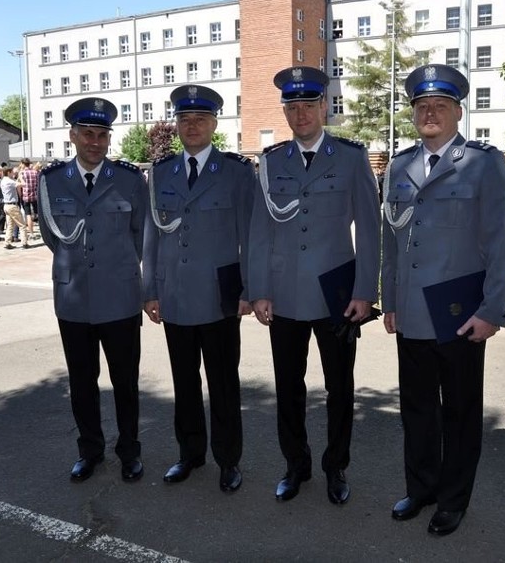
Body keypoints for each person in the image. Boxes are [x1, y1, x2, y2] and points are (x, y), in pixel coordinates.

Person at [381, 64, 505, 536]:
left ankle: (453, 500)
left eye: (440, 105)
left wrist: (491, 310)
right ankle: (421, 489)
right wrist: (389, 300)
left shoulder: (483, 162)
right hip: (413, 311)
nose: (430, 113)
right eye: (422, 107)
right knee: (416, 408)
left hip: (460, 313)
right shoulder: (399, 166)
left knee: (459, 412)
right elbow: (391, 241)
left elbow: (502, 242)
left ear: (458, 112)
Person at [249, 66, 381, 505]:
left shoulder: (350, 158)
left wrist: (365, 291)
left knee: (340, 387)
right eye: (292, 106)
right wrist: (259, 290)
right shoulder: (270, 163)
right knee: (288, 387)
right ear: (285, 111)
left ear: (325, 106)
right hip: (284, 293)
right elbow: (260, 232)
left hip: (336, 294)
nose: (300, 113)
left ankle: (336, 466)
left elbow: (370, 228)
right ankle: (295, 465)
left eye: (309, 104)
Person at [143, 85, 255, 493]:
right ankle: (189, 454)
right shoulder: (159, 173)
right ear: (176, 125)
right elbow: (152, 237)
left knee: (224, 383)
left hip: (221, 293)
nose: (192, 126)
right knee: (184, 381)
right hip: (174, 293)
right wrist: (150, 290)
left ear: (214, 124)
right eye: (185, 120)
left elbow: (250, 235)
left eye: (200, 120)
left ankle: (229, 460)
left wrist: (249, 288)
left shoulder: (238, 171)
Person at [38, 97, 148, 484]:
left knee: (125, 382)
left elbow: (141, 236)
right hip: (73, 299)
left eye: (102, 135)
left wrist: (116, 270)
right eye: (87, 133)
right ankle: (89, 451)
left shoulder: (130, 180)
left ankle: (130, 450)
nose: (95, 142)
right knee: (82, 382)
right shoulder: (51, 181)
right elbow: (52, 236)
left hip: (120, 298)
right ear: (72, 136)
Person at [0, 166, 30, 249]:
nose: (14, 173)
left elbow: (14, 183)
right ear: (8, 172)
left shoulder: (4, 181)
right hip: (12, 205)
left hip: (6, 205)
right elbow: (23, 184)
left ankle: (7, 242)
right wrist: (20, 177)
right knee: (22, 225)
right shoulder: (9, 181)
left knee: (10, 225)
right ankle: (24, 243)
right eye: (12, 172)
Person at [19, 158, 40, 237]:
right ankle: (41, 230)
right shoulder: (35, 172)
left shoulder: (22, 173)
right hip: (35, 195)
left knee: (28, 215)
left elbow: (21, 184)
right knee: (37, 213)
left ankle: (31, 233)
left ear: (23, 164)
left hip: (26, 196)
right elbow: (38, 183)